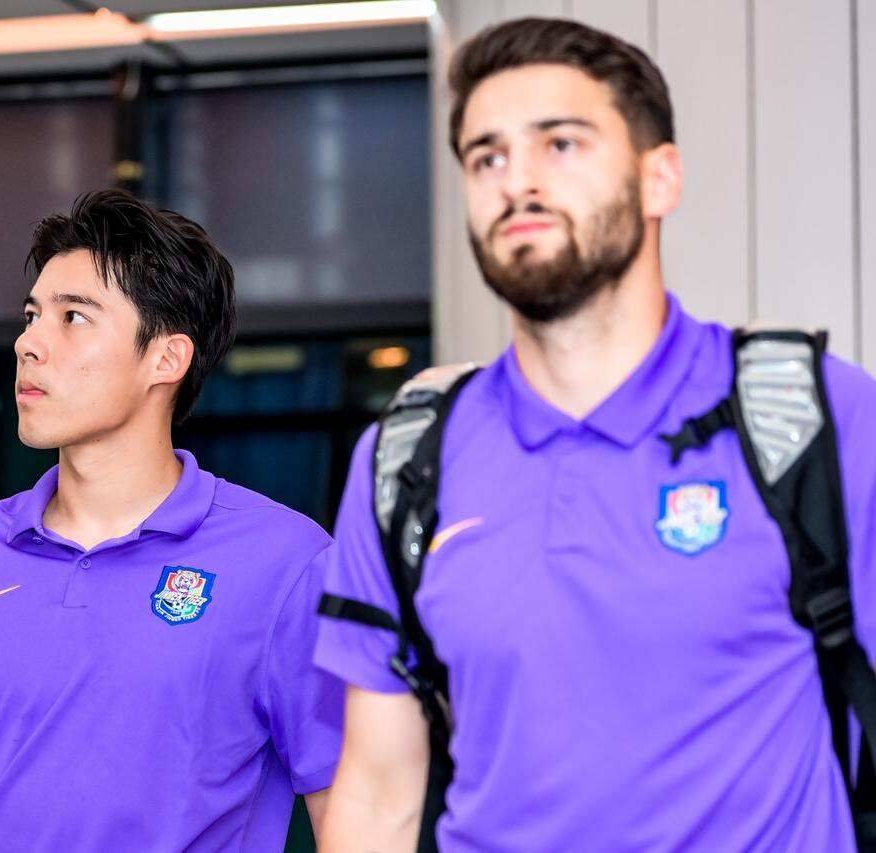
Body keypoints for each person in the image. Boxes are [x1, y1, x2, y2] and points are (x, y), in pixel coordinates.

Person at [314, 17, 876, 852]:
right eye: (487, 157)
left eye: (561, 144)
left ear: (659, 178)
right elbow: (376, 796)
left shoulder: (815, 418)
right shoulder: (404, 461)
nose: (517, 181)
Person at [0, 190, 342, 851]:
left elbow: (355, 815)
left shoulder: (286, 563)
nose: (29, 343)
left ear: (166, 358)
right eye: (32, 316)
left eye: (73, 317)